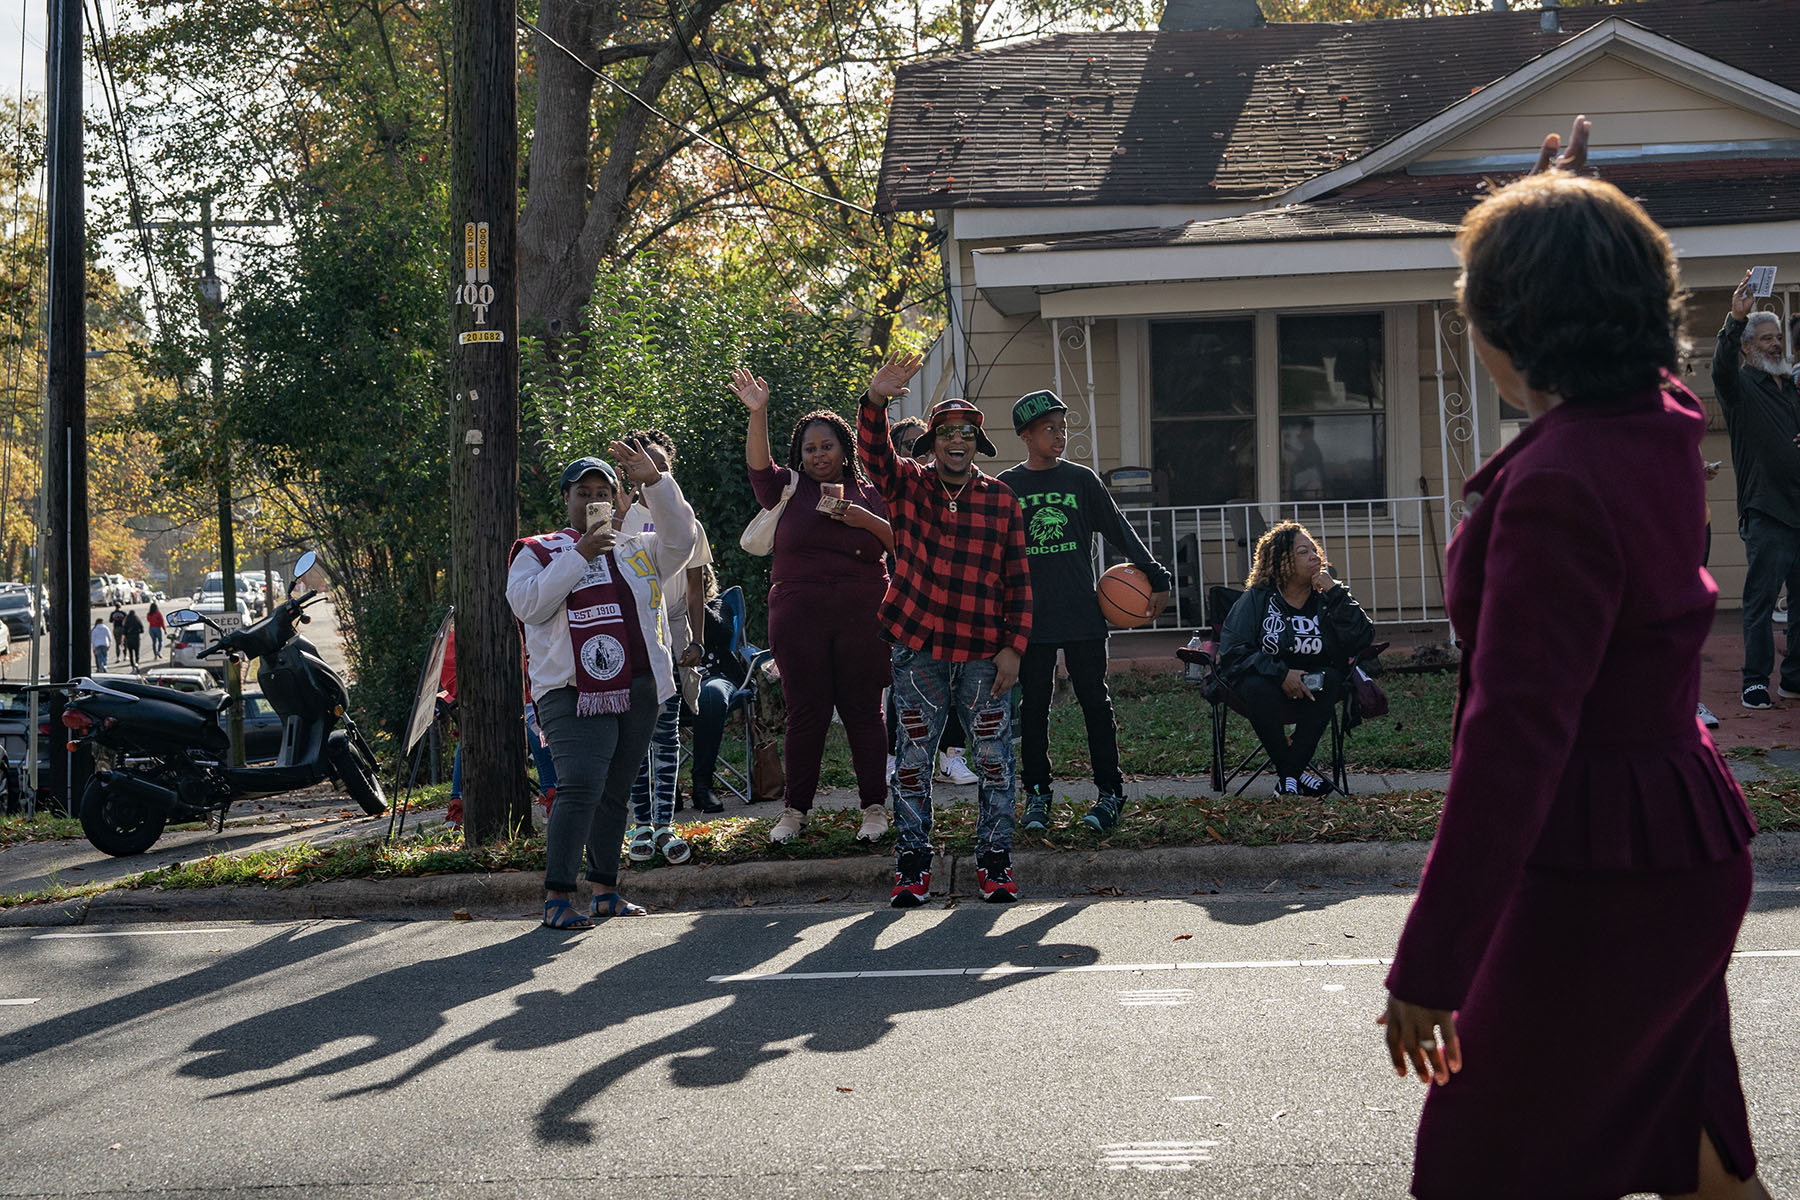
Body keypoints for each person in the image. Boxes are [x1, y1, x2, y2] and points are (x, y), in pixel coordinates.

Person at [1382, 119, 1769, 1200]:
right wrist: (1569, 221)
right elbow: (1618, 355)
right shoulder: (1658, 424)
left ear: (1519, 328)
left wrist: (1431, 965)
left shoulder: (1559, 483)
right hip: (1682, 844)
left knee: (1478, 1171)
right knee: (1700, 1162)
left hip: (1604, 873)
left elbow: (1515, 738)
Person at [857, 361, 1033, 906]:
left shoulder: (1001, 500)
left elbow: (1019, 581)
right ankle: (912, 866)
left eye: (967, 435)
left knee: (995, 761)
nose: (957, 442)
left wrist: (1014, 649)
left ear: (978, 444)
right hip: (919, 650)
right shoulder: (907, 485)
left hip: (984, 655)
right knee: (912, 761)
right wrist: (875, 401)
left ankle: (995, 863)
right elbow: (873, 455)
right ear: (932, 443)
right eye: (947, 434)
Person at [508, 445, 697, 930]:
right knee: (580, 786)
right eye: (582, 493)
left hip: (637, 687)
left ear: (616, 501)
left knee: (614, 792)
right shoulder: (537, 552)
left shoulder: (637, 546)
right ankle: (557, 897)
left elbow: (683, 541)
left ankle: (606, 891)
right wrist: (579, 555)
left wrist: (656, 483)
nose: (593, 500)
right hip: (570, 691)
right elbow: (529, 606)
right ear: (566, 500)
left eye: (603, 493)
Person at [732, 368, 894, 844]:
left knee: (865, 711)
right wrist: (757, 413)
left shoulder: (872, 492)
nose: (819, 454)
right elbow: (758, 467)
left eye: (827, 445)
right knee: (807, 713)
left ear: (845, 448)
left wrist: (861, 517)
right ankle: (794, 812)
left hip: (862, 613)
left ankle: (874, 809)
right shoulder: (786, 487)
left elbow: (898, 545)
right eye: (809, 448)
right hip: (798, 616)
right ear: (799, 456)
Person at [998, 389, 1172, 832]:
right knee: (1034, 708)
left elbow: (1120, 531)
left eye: (1063, 428)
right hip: (1030, 617)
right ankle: (1037, 795)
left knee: (1095, 702)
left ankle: (1110, 794)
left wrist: (1156, 575)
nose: (1059, 437)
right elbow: (992, 557)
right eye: (1049, 430)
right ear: (1026, 435)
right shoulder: (1007, 488)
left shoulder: (1081, 481)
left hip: (1081, 612)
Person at [1215, 521, 1372, 796]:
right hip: (1265, 680)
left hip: (1315, 683)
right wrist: (1281, 674)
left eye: (1314, 550)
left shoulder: (1327, 598)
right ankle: (1295, 774)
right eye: (1303, 552)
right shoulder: (1257, 599)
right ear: (1281, 561)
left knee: (1329, 681)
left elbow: (1362, 637)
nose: (1315, 556)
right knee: (1256, 688)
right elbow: (1232, 651)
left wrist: (1336, 594)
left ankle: (1289, 777)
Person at [618, 428, 711, 863]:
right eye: (641, 462)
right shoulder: (621, 518)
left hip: (671, 635)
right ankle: (639, 824)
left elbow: (695, 588)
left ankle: (665, 823)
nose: (650, 469)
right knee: (636, 733)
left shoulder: (685, 519)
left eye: (659, 462)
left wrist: (696, 642)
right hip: (631, 638)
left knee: (667, 734)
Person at [1711, 270, 1800, 710]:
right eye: (1764, 339)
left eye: (1777, 337)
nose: (1775, 344)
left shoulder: (1793, 388)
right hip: (1766, 512)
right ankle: (1754, 681)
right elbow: (1720, 367)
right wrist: (1734, 319)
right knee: (1761, 602)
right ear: (1748, 348)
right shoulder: (1741, 387)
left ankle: (1794, 678)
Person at [885, 414, 977, 786]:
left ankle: (952, 757)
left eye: (923, 444)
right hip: (909, 606)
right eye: (909, 447)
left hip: (954, 605)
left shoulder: (955, 488)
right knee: (904, 688)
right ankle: (895, 757)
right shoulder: (896, 488)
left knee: (954, 685)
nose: (919, 453)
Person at [685, 566, 754, 814]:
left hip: (716, 677)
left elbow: (720, 630)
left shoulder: (717, 605)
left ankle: (703, 783)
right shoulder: (658, 608)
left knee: (711, 695)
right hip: (674, 682)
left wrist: (690, 600)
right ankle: (666, 787)